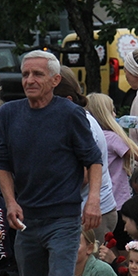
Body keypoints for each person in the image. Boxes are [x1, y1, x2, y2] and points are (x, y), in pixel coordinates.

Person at [0, 49, 102, 276]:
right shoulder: (9, 114)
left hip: (63, 219)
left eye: (38, 74)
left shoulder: (71, 114)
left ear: (55, 80)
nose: (29, 81)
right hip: (26, 222)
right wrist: (9, 201)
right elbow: (3, 163)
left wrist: (92, 202)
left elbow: (93, 160)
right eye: (25, 74)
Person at [54, 66, 118, 244]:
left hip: (92, 215)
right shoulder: (72, 120)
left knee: (88, 270)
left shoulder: (82, 124)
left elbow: (83, 176)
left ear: (67, 99)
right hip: (85, 211)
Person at [86, 92, 138, 210]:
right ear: (105, 115)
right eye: (112, 111)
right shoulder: (112, 138)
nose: (115, 114)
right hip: (116, 202)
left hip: (96, 201)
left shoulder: (89, 137)